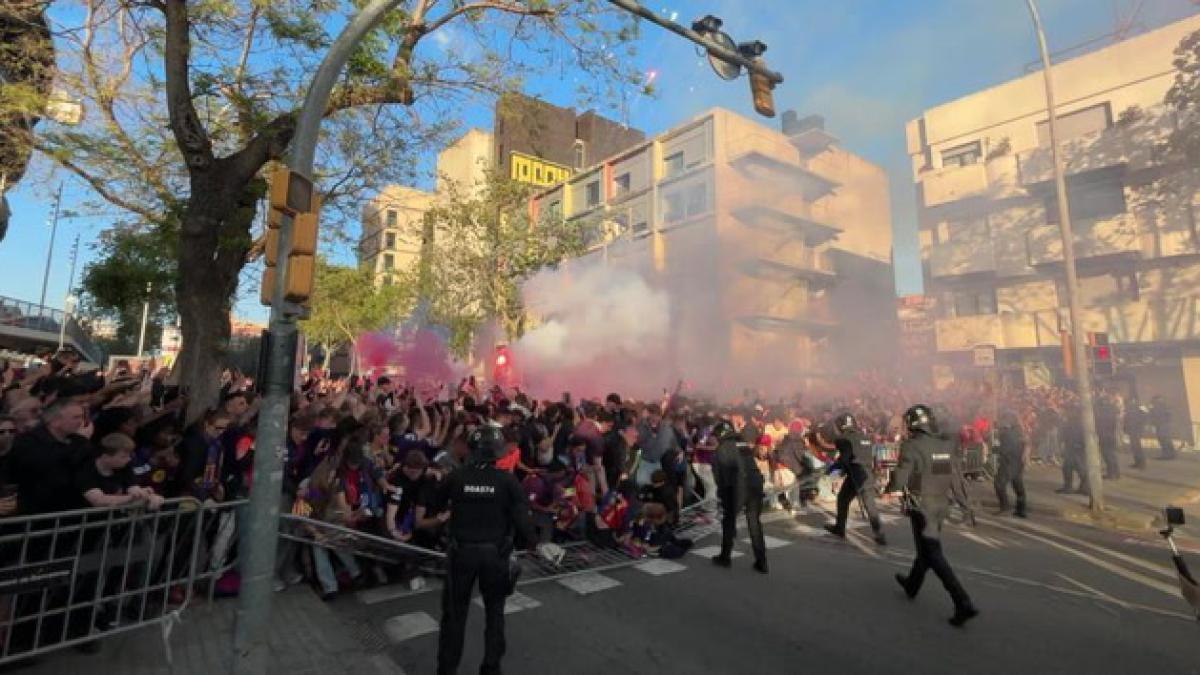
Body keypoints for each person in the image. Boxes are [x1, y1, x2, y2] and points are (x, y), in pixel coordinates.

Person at [430, 424, 545, 675]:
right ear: (498, 452)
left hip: (461, 554)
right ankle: (491, 669)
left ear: (471, 449)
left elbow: (434, 504)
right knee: (495, 615)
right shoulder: (507, 481)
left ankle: (447, 670)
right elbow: (523, 521)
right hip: (495, 555)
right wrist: (535, 544)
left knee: (454, 616)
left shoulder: (457, 476)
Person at [890, 404, 978, 627]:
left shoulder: (912, 446)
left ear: (912, 424)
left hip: (921, 505)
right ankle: (912, 584)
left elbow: (902, 472)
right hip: (940, 503)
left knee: (933, 553)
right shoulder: (943, 445)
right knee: (926, 550)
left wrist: (892, 490)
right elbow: (950, 477)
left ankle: (962, 601)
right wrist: (964, 504)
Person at [710, 418, 767, 574]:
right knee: (754, 522)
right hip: (755, 484)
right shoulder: (742, 443)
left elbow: (721, 477)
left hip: (737, 487)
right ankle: (761, 562)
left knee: (728, 521)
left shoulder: (721, 449)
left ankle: (725, 557)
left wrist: (723, 495)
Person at [823, 412, 886, 545]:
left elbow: (845, 458)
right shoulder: (865, 437)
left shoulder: (842, 439)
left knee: (845, 500)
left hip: (856, 473)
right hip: (866, 473)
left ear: (840, 425)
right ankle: (879, 534)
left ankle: (840, 528)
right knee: (866, 504)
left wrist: (832, 469)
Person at [992, 411, 1027, 518]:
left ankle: (1005, 507)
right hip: (1018, 462)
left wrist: (995, 449)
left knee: (999, 484)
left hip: (1008, 462)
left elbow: (1004, 449)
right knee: (1018, 486)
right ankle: (1021, 509)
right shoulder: (1020, 431)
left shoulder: (1007, 433)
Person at [1150, 396, 1177, 460]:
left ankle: (1167, 454)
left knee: (1164, 440)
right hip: (1161, 425)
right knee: (1164, 439)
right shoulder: (1159, 407)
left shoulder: (1162, 407)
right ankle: (1170, 454)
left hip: (1163, 425)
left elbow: (1167, 416)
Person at [1124, 396, 1147, 469]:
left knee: (1137, 447)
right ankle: (1138, 462)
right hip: (1134, 430)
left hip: (1135, 431)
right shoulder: (1135, 409)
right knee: (1135, 447)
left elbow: (1143, 418)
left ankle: (1140, 463)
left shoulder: (1136, 409)